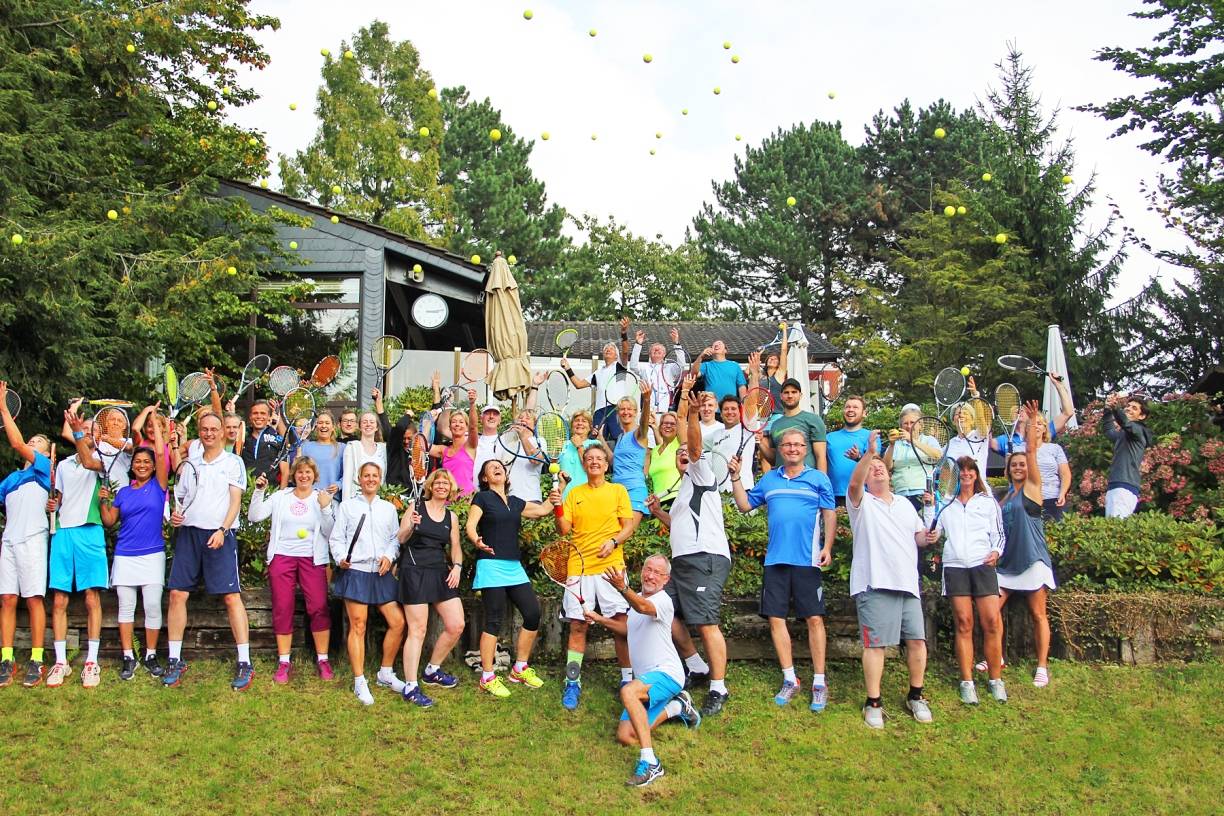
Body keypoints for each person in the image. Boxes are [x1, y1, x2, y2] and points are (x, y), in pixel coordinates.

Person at [729, 427, 837, 712]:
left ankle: (819, 682)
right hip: (775, 561)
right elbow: (743, 505)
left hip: (807, 561)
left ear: (805, 449)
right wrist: (736, 477)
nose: (792, 448)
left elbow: (829, 514)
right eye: (787, 444)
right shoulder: (769, 479)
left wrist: (827, 547)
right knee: (776, 619)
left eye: (798, 445)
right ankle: (790, 679)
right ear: (779, 449)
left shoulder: (818, 479)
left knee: (814, 619)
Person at [644, 393, 732, 717]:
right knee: (664, 612)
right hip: (681, 562)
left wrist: (692, 417)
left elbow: (694, 447)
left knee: (706, 622)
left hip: (704, 559)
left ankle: (718, 687)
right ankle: (696, 666)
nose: (684, 454)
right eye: (678, 453)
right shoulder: (683, 491)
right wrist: (657, 513)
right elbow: (678, 523)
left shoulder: (702, 473)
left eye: (687, 452)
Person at [583, 558, 701, 788]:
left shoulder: (662, 601)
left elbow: (643, 607)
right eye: (648, 570)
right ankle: (678, 707)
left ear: (666, 580)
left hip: (666, 673)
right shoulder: (637, 600)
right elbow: (628, 628)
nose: (651, 576)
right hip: (647, 678)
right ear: (641, 571)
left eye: (658, 573)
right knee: (626, 737)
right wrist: (600, 619)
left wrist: (622, 588)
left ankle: (651, 763)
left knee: (628, 692)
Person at [846, 430, 933, 729]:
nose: (877, 468)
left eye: (881, 465)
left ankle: (916, 696)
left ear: (890, 474)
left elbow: (919, 539)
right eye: (872, 467)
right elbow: (854, 482)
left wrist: (928, 536)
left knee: (918, 642)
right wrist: (870, 453)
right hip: (874, 584)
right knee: (876, 646)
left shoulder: (906, 505)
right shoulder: (861, 503)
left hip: (908, 585)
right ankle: (873, 703)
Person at [164, 411, 253, 689]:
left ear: (224, 432)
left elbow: (235, 502)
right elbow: (182, 500)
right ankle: (174, 659)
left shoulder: (233, 462)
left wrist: (223, 530)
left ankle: (244, 662)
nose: (209, 433)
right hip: (189, 534)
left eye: (215, 429)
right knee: (178, 594)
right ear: (199, 432)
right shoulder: (190, 463)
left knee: (230, 597)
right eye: (205, 429)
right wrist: (175, 516)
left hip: (220, 535)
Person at [548, 442, 636, 710]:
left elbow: (628, 527)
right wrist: (557, 506)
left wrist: (613, 541)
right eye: (590, 458)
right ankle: (572, 683)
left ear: (606, 465)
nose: (595, 462)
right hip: (579, 567)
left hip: (611, 566)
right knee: (578, 626)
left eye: (599, 458)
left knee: (620, 623)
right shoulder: (574, 493)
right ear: (584, 464)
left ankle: (627, 680)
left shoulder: (618, 490)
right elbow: (563, 529)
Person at [465, 459, 557, 697]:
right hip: (491, 564)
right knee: (494, 620)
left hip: (513, 566)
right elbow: (471, 526)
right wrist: (477, 540)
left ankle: (519, 668)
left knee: (532, 613)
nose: (498, 468)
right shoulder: (482, 498)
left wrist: (562, 485)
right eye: (491, 467)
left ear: (506, 476)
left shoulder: (515, 502)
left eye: (500, 467)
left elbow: (543, 509)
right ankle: (487, 676)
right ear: (485, 478)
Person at [926, 456, 1006, 704]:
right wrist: (929, 507)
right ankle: (967, 682)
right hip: (955, 566)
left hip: (982, 565)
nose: (966, 474)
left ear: (976, 474)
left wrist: (996, 552)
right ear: (954, 476)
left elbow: (999, 535)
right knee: (964, 623)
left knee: (992, 621)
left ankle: (995, 680)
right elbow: (933, 532)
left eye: (970, 470)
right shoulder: (945, 503)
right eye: (961, 471)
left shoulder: (988, 501)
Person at [248, 458, 336, 684]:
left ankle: (323, 659)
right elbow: (254, 516)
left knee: (318, 606)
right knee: (283, 607)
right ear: (294, 475)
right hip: (282, 558)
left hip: (312, 559)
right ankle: (284, 661)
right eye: (299, 472)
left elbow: (330, 531)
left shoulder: (321, 498)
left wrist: (326, 508)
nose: (303, 476)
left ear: (314, 475)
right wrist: (259, 492)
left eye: (308, 472)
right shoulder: (280, 497)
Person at [98, 410, 169, 681]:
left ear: (152, 466)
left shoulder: (159, 487)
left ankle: (150, 654)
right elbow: (108, 522)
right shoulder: (124, 493)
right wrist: (104, 500)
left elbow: (162, 454)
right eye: (137, 461)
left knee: (152, 606)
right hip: (125, 555)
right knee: (125, 608)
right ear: (133, 466)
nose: (141, 464)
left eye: (146, 462)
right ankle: (128, 656)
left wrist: (156, 425)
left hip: (152, 555)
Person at [329, 461, 406, 706]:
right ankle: (359, 680)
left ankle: (385, 672)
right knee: (358, 625)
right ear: (359, 480)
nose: (370, 479)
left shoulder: (388, 509)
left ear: (380, 479)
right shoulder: (348, 507)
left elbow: (395, 539)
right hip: (357, 571)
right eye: (366, 476)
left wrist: (389, 556)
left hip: (381, 573)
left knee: (398, 622)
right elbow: (336, 537)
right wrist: (341, 557)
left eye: (375, 476)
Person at [995, 401, 1056, 688]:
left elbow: (1031, 450)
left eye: (1022, 464)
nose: (1019, 467)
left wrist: (1030, 423)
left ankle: (1042, 666)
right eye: (1015, 464)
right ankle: (998, 657)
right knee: (991, 610)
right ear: (1008, 470)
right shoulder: (1004, 498)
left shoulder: (1033, 488)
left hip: (1033, 559)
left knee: (1037, 614)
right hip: (1007, 564)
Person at [48, 400, 109, 688]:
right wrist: (52, 504)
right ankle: (60, 662)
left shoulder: (103, 461)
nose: (84, 433)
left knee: (90, 598)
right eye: (82, 429)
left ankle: (91, 662)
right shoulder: (61, 465)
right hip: (63, 533)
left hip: (90, 531)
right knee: (59, 600)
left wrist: (78, 432)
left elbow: (87, 459)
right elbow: (58, 500)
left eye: (89, 430)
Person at [396, 468, 464, 707]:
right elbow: (401, 538)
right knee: (418, 629)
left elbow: (455, 546)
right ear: (431, 486)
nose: (442, 486)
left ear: (450, 488)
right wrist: (411, 526)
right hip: (413, 570)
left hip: (439, 572)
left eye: (446, 483)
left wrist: (456, 566)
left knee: (456, 625)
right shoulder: (416, 508)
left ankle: (432, 670)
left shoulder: (451, 517)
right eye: (438, 482)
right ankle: (411, 686)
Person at [0, 382, 51, 688]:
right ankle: (6, 659)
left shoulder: (43, 468)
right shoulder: (10, 480)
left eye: (36, 443)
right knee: (6, 598)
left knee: (33, 599)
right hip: (9, 541)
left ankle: (36, 659)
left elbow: (17, 445)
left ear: (45, 454)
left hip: (33, 539)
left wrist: (3, 408)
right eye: (29, 440)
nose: (30, 445)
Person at [561, 316, 633, 440]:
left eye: (611, 348)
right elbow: (578, 384)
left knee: (620, 440)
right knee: (595, 441)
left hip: (616, 408)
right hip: (599, 411)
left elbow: (626, 351)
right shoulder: (598, 373)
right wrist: (567, 368)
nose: (608, 349)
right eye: (606, 349)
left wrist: (623, 333)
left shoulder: (620, 366)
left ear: (617, 356)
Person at [1102, 393, 1154, 519]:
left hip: (1124, 486)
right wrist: (1108, 410)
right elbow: (1109, 432)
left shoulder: (1138, 430)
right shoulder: (1125, 434)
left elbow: (1125, 422)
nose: (1129, 408)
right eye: (1128, 406)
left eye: (1134, 408)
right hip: (1118, 484)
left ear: (1142, 416)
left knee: (1116, 529)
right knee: (1111, 528)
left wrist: (1115, 407)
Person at [759, 378, 828, 473]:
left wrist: (823, 484)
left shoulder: (814, 420)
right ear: (781, 396)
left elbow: (821, 456)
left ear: (800, 395)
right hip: (783, 481)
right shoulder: (775, 424)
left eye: (794, 392)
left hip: (808, 482)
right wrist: (760, 442)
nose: (790, 395)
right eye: (786, 392)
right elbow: (774, 459)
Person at [884, 404, 943, 512]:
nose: (909, 426)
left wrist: (912, 440)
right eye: (905, 423)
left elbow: (938, 456)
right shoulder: (896, 444)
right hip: (900, 495)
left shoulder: (928, 440)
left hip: (923, 494)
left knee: (924, 527)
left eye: (912, 423)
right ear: (901, 427)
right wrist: (891, 445)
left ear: (920, 425)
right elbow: (887, 467)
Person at [611, 383, 654, 526]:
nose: (626, 412)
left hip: (634, 490)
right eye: (622, 409)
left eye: (630, 409)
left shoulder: (639, 433)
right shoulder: (620, 437)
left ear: (636, 412)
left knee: (627, 533)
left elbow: (644, 422)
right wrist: (600, 440)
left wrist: (646, 401)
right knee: (614, 534)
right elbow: (614, 461)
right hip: (616, 491)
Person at [825, 395, 878, 506]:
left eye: (855, 407)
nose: (850, 410)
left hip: (861, 494)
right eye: (848, 407)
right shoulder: (829, 437)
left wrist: (859, 457)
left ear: (864, 413)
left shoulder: (871, 436)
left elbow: (876, 465)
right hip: (832, 495)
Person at [628, 325, 687, 414]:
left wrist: (676, 343)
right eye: (653, 350)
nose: (656, 350)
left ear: (664, 354)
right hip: (648, 410)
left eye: (660, 350)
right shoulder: (645, 368)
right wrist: (638, 344)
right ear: (649, 354)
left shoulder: (670, 368)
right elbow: (633, 366)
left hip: (666, 410)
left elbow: (682, 365)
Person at [429, 395, 478, 496]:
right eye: (454, 422)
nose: (457, 424)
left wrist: (472, 404)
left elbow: (473, 427)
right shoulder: (443, 450)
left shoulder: (470, 447)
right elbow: (421, 445)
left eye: (461, 422)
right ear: (450, 427)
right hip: (447, 499)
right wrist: (428, 421)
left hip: (466, 501)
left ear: (466, 427)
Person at [945, 377, 991, 478]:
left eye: (965, 413)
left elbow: (980, 418)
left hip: (979, 491)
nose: (961, 415)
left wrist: (975, 396)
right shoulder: (950, 444)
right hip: (956, 492)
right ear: (953, 421)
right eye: (957, 414)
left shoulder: (980, 435)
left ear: (972, 420)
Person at [342, 409, 387, 503]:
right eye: (364, 422)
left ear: (377, 427)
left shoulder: (383, 448)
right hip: (356, 501)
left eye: (372, 422)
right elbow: (347, 480)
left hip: (378, 501)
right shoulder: (352, 447)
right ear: (359, 426)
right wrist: (345, 506)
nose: (368, 424)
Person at [298, 411, 343, 497]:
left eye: (327, 423)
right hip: (309, 497)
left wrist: (339, 485)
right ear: (316, 427)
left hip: (332, 498)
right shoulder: (305, 446)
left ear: (333, 427)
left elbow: (349, 474)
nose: (323, 426)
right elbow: (297, 471)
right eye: (320, 423)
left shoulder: (342, 448)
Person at [1034, 417, 1072, 521]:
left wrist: (1062, 493)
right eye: (1032, 423)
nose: (1036, 426)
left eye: (1039, 423)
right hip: (1030, 500)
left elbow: (1065, 474)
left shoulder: (1055, 448)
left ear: (1045, 429)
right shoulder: (1020, 448)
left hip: (1054, 499)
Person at [242, 399, 286, 486]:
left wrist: (281, 495)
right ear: (250, 417)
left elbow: (285, 472)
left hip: (270, 494)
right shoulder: (242, 437)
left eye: (263, 413)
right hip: (245, 494)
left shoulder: (277, 439)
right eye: (255, 413)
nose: (259, 416)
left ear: (269, 417)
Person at [690, 340, 746, 405]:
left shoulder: (735, 365)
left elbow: (741, 386)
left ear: (725, 350)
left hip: (730, 408)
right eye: (713, 345)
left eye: (719, 343)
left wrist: (743, 406)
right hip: (711, 409)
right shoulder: (706, 365)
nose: (716, 345)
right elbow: (693, 374)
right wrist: (701, 356)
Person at [558, 409, 598, 499]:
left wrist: (579, 446)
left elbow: (590, 466)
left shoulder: (596, 444)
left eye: (584, 421)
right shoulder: (563, 444)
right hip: (565, 497)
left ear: (590, 427)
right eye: (577, 421)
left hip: (587, 496)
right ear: (572, 425)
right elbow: (555, 468)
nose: (580, 423)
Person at [646, 411, 682, 505]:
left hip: (676, 498)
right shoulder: (654, 451)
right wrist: (654, 427)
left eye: (673, 424)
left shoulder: (679, 444)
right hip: (658, 502)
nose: (668, 426)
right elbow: (662, 445)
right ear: (660, 426)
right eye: (665, 423)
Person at [762, 321, 790, 412]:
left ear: (779, 364)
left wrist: (785, 330)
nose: (772, 359)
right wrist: (758, 353)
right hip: (761, 417)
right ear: (766, 362)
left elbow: (784, 350)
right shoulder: (761, 377)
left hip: (776, 415)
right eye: (770, 358)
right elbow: (748, 371)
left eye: (775, 359)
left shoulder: (779, 375)